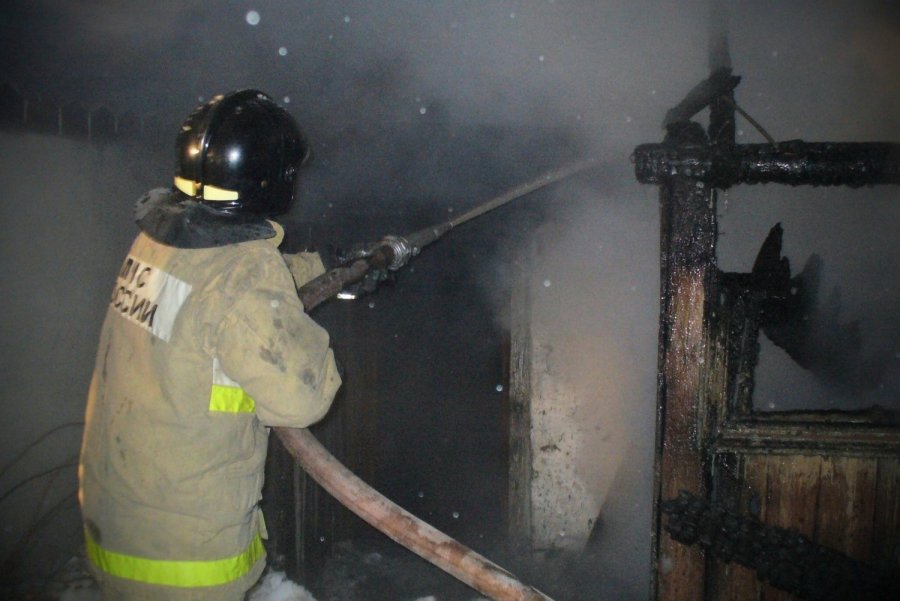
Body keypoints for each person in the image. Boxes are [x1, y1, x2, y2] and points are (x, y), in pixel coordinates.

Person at [78, 90, 342, 600]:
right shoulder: (246, 271)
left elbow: (214, 297)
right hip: (184, 561)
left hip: (121, 523)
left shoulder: (161, 239)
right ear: (274, 180)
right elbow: (304, 397)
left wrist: (322, 266)